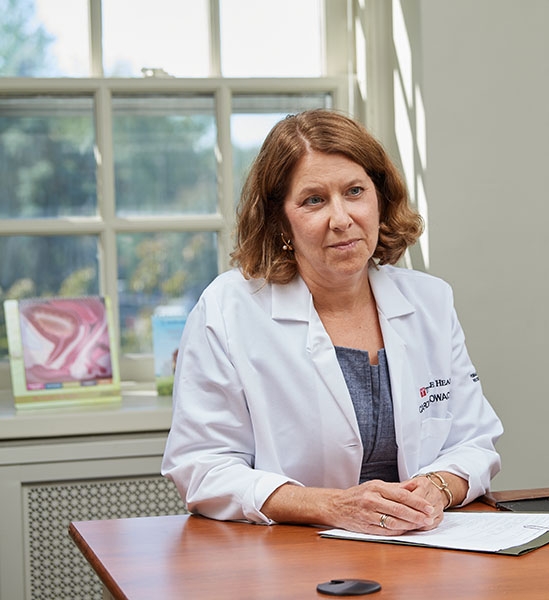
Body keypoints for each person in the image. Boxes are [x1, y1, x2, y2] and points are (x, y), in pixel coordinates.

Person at [161, 109, 503, 535]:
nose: (341, 219)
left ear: (380, 199)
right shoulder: (228, 309)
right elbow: (202, 467)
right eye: (314, 200)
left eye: (355, 191)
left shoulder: (430, 301)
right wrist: (332, 506)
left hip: (422, 545)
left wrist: (437, 487)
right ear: (280, 222)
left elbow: (474, 442)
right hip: (290, 552)